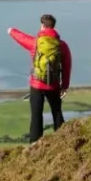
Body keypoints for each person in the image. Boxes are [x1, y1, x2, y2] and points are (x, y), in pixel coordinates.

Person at [8, 14, 72, 143]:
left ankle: (35, 144)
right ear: (53, 26)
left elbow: (21, 37)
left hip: (37, 84)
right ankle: (63, 140)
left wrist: (11, 31)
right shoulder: (62, 45)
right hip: (53, 84)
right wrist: (64, 85)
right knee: (57, 112)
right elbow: (67, 66)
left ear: (42, 26)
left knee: (36, 115)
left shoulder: (35, 42)